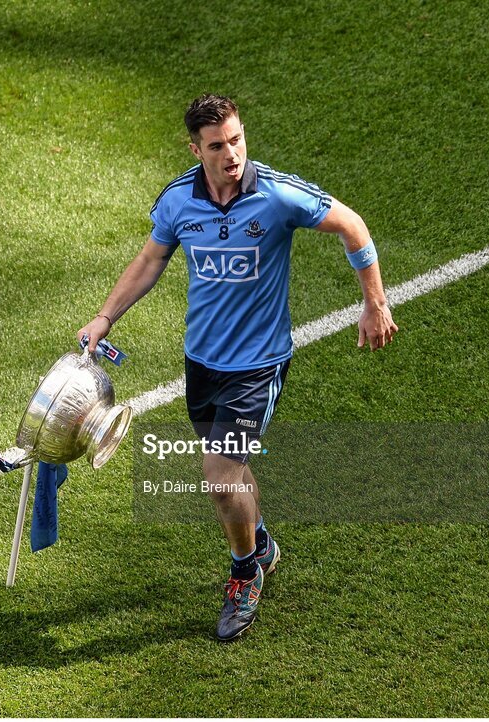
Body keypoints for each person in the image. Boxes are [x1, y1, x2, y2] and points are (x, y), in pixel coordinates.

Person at [77, 94, 398, 641]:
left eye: (237, 139)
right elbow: (151, 258)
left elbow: (353, 226)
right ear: (196, 150)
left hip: (257, 367)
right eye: (217, 145)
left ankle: (246, 572)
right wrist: (105, 317)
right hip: (201, 363)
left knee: (220, 477)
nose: (232, 154)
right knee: (233, 471)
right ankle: (260, 541)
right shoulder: (179, 201)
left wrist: (375, 303)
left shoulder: (276, 195)